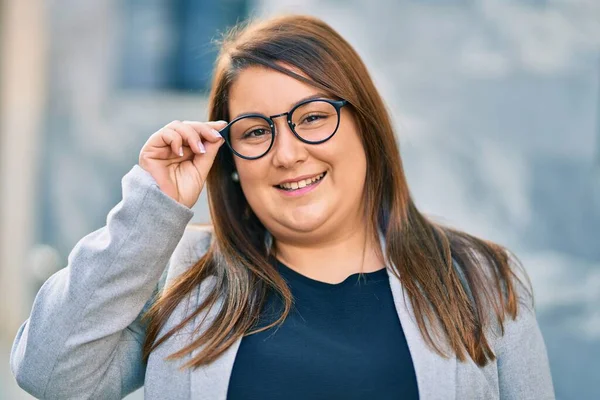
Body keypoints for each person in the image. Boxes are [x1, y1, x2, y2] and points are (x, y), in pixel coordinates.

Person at [10, 14, 555, 400]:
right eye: (254, 132)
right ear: (230, 158)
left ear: (365, 125)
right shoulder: (184, 276)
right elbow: (52, 374)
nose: (288, 154)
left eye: (313, 117)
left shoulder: (481, 281)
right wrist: (154, 207)